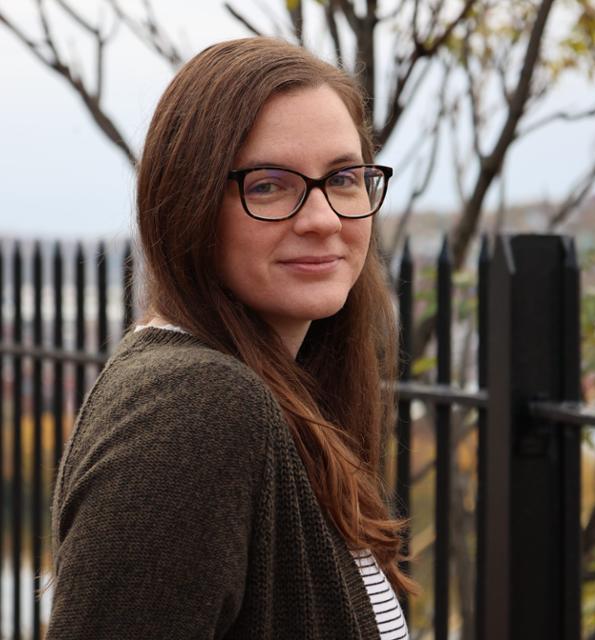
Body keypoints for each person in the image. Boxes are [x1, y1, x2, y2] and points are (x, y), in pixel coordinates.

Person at [46, 37, 416, 639]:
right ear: (187, 204)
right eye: (269, 185)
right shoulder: (194, 405)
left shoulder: (277, 399)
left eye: (344, 178)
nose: (323, 219)